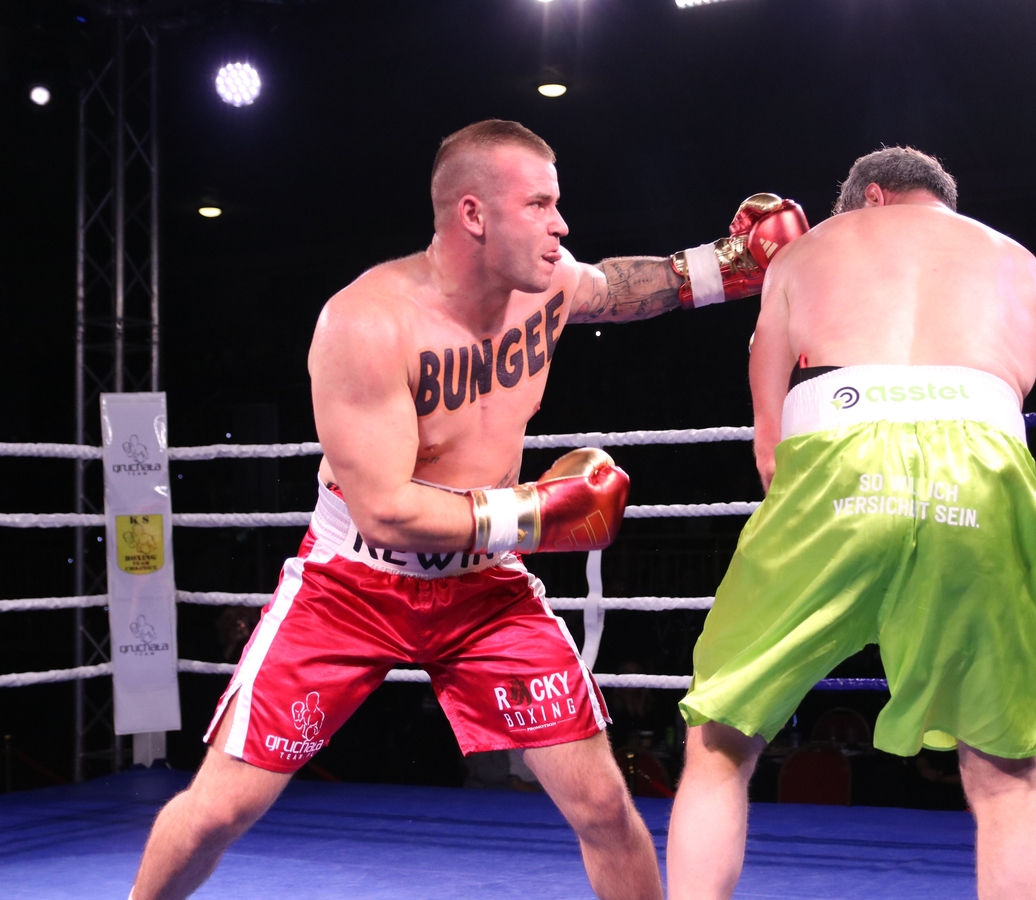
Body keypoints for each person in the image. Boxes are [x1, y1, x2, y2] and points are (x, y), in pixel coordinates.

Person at [130, 119, 807, 900]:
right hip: (351, 585)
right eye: (539, 205)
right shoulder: (367, 321)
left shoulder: (548, 287)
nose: (561, 224)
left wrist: (730, 265)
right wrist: (538, 513)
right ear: (473, 214)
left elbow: (621, 287)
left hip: (484, 588)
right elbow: (385, 511)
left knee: (603, 807)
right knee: (221, 810)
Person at [667, 146, 1036, 900]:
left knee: (720, 741)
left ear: (871, 197)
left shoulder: (815, 245)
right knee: (1008, 774)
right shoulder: (1025, 267)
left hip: (840, 450)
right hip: (982, 464)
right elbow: (997, 396)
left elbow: (770, 437)